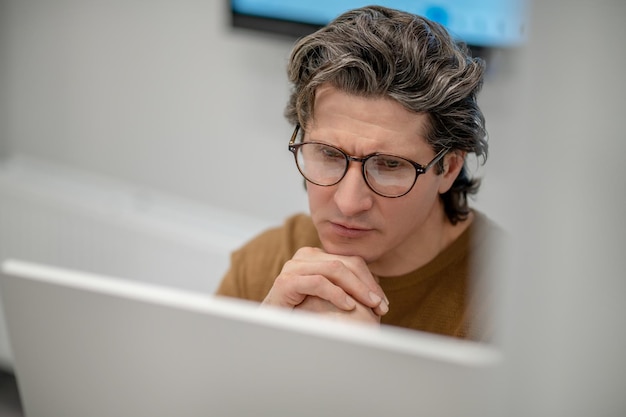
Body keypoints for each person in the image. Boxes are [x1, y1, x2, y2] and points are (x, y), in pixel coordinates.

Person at [217, 5, 503, 342]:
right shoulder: (262, 267)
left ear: (449, 168)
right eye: (328, 154)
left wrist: (364, 362)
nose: (349, 203)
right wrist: (260, 341)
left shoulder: (516, 301)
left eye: (390, 164)